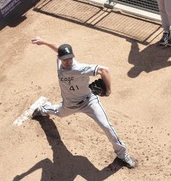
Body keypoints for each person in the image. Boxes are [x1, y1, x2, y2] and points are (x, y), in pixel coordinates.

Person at [31, 36, 136, 169]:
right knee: (59, 112)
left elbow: (104, 70)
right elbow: (58, 48)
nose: (68, 61)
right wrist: (44, 42)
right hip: (69, 104)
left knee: (107, 126)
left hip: (89, 103)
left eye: (70, 58)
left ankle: (122, 154)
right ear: (59, 59)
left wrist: (108, 91)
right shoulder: (59, 62)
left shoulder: (80, 68)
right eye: (65, 59)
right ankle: (44, 109)